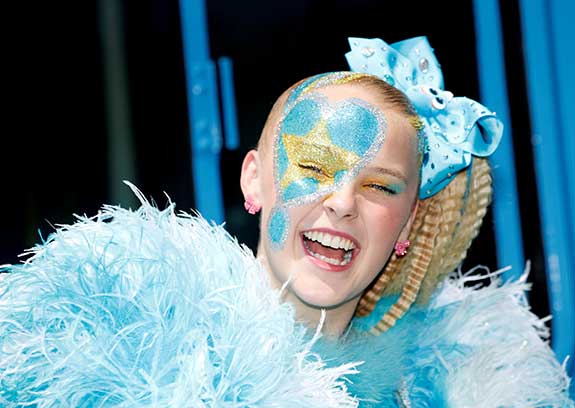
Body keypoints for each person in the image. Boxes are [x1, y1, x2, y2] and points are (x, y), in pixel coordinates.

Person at [0, 37, 572, 407]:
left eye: (378, 186)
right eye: (315, 166)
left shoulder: (449, 387)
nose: (342, 202)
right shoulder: (125, 344)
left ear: (404, 227)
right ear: (254, 180)